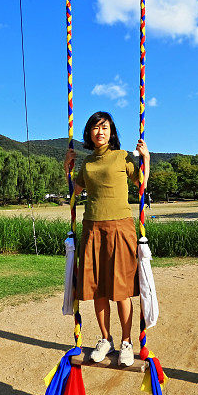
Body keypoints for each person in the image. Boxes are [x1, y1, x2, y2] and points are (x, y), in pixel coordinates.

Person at [64, 111, 150, 368]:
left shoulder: (123, 157)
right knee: (98, 288)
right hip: (92, 228)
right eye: (95, 128)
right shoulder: (87, 163)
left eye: (105, 127)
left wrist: (146, 158)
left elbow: (142, 183)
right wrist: (66, 167)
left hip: (120, 227)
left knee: (121, 290)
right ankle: (105, 339)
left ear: (112, 132)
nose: (100, 132)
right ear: (89, 133)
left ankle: (126, 342)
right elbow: (76, 191)